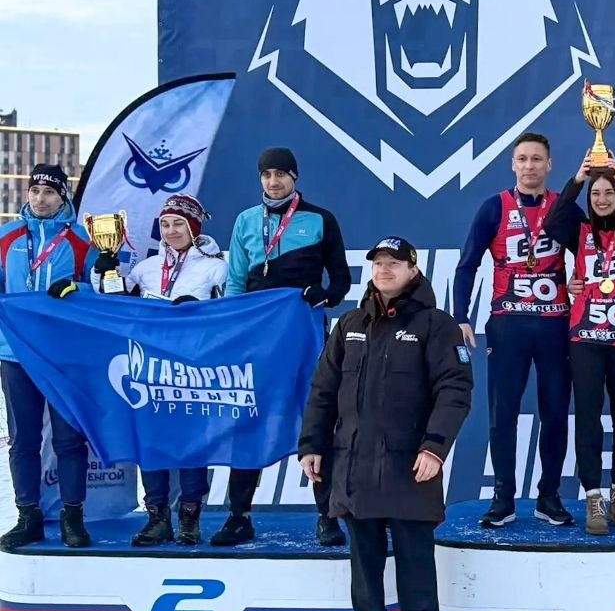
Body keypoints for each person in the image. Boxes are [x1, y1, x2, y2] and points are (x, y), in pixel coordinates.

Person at [299, 236, 472, 611]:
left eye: (395, 262)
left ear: (413, 270)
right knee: (364, 551)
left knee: (415, 550)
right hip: (353, 460)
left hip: (409, 461)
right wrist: (312, 445)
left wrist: (435, 447)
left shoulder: (436, 324)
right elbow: (322, 390)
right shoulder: (349, 324)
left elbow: (454, 391)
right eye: (378, 262)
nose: (384, 269)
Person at [215, 147, 353, 547]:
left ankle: (327, 517)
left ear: (294, 176)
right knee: (249, 417)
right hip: (255, 335)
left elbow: (341, 280)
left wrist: (324, 295)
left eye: (280, 174)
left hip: (301, 333)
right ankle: (239, 517)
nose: (273, 181)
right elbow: (235, 282)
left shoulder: (319, 219)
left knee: (315, 415)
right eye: (266, 175)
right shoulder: (246, 221)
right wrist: (232, 330)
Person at [90, 194, 226, 546]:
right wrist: (103, 271)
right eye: (165, 224)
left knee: (192, 444)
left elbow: (229, 317)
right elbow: (114, 305)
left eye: (178, 223)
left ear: (194, 226)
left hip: (192, 371)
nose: (171, 231)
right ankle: (157, 517)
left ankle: (190, 517)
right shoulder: (146, 268)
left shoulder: (216, 267)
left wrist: (201, 311)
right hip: (148, 369)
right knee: (150, 442)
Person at [453, 133, 573, 528]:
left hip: (555, 323)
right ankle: (503, 498)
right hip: (508, 324)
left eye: (537, 159)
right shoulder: (495, 207)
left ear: (549, 164)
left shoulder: (564, 207)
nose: (529, 165)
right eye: (522, 158)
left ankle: (549, 496)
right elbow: (467, 263)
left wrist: (584, 283)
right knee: (502, 414)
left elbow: (597, 253)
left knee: (555, 412)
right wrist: (460, 315)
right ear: (513, 164)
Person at [544, 154, 615, 535]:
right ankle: (593, 497)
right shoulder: (579, 232)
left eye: (609, 192)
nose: (602, 199)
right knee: (588, 417)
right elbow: (552, 222)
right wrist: (577, 180)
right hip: (586, 340)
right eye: (596, 193)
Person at [0, 164, 98, 549]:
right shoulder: (7, 237)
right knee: (23, 439)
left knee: (68, 439)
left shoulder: (81, 241)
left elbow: (104, 291)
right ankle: (29, 516)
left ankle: (73, 516)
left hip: (64, 354)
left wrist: (77, 289)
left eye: (50, 192)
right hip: (16, 353)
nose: (41, 199)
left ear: (63, 197)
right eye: (35, 191)